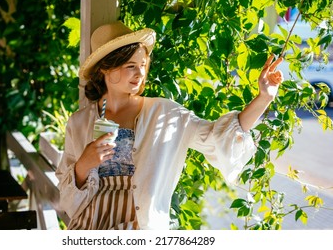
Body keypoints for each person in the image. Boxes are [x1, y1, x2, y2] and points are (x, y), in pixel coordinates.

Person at [55, 21, 283, 230]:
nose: (140, 73)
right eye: (130, 66)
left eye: (143, 65)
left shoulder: (166, 114)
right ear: (105, 68)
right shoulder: (79, 122)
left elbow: (217, 136)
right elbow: (67, 200)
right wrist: (83, 165)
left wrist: (263, 98)